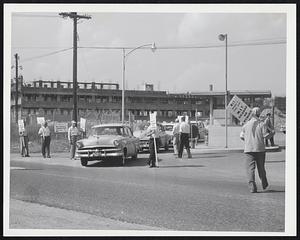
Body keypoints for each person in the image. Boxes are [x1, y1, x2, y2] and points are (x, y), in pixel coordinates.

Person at [240, 107, 271, 193]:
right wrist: (272, 133)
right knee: (261, 168)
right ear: (259, 114)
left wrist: (248, 141)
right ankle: (264, 185)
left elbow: (241, 136)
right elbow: (266, 136)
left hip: (248, 150)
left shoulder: (245, 125)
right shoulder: (261, 124)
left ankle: (252, 188)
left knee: (250, 169)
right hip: (260, 149)